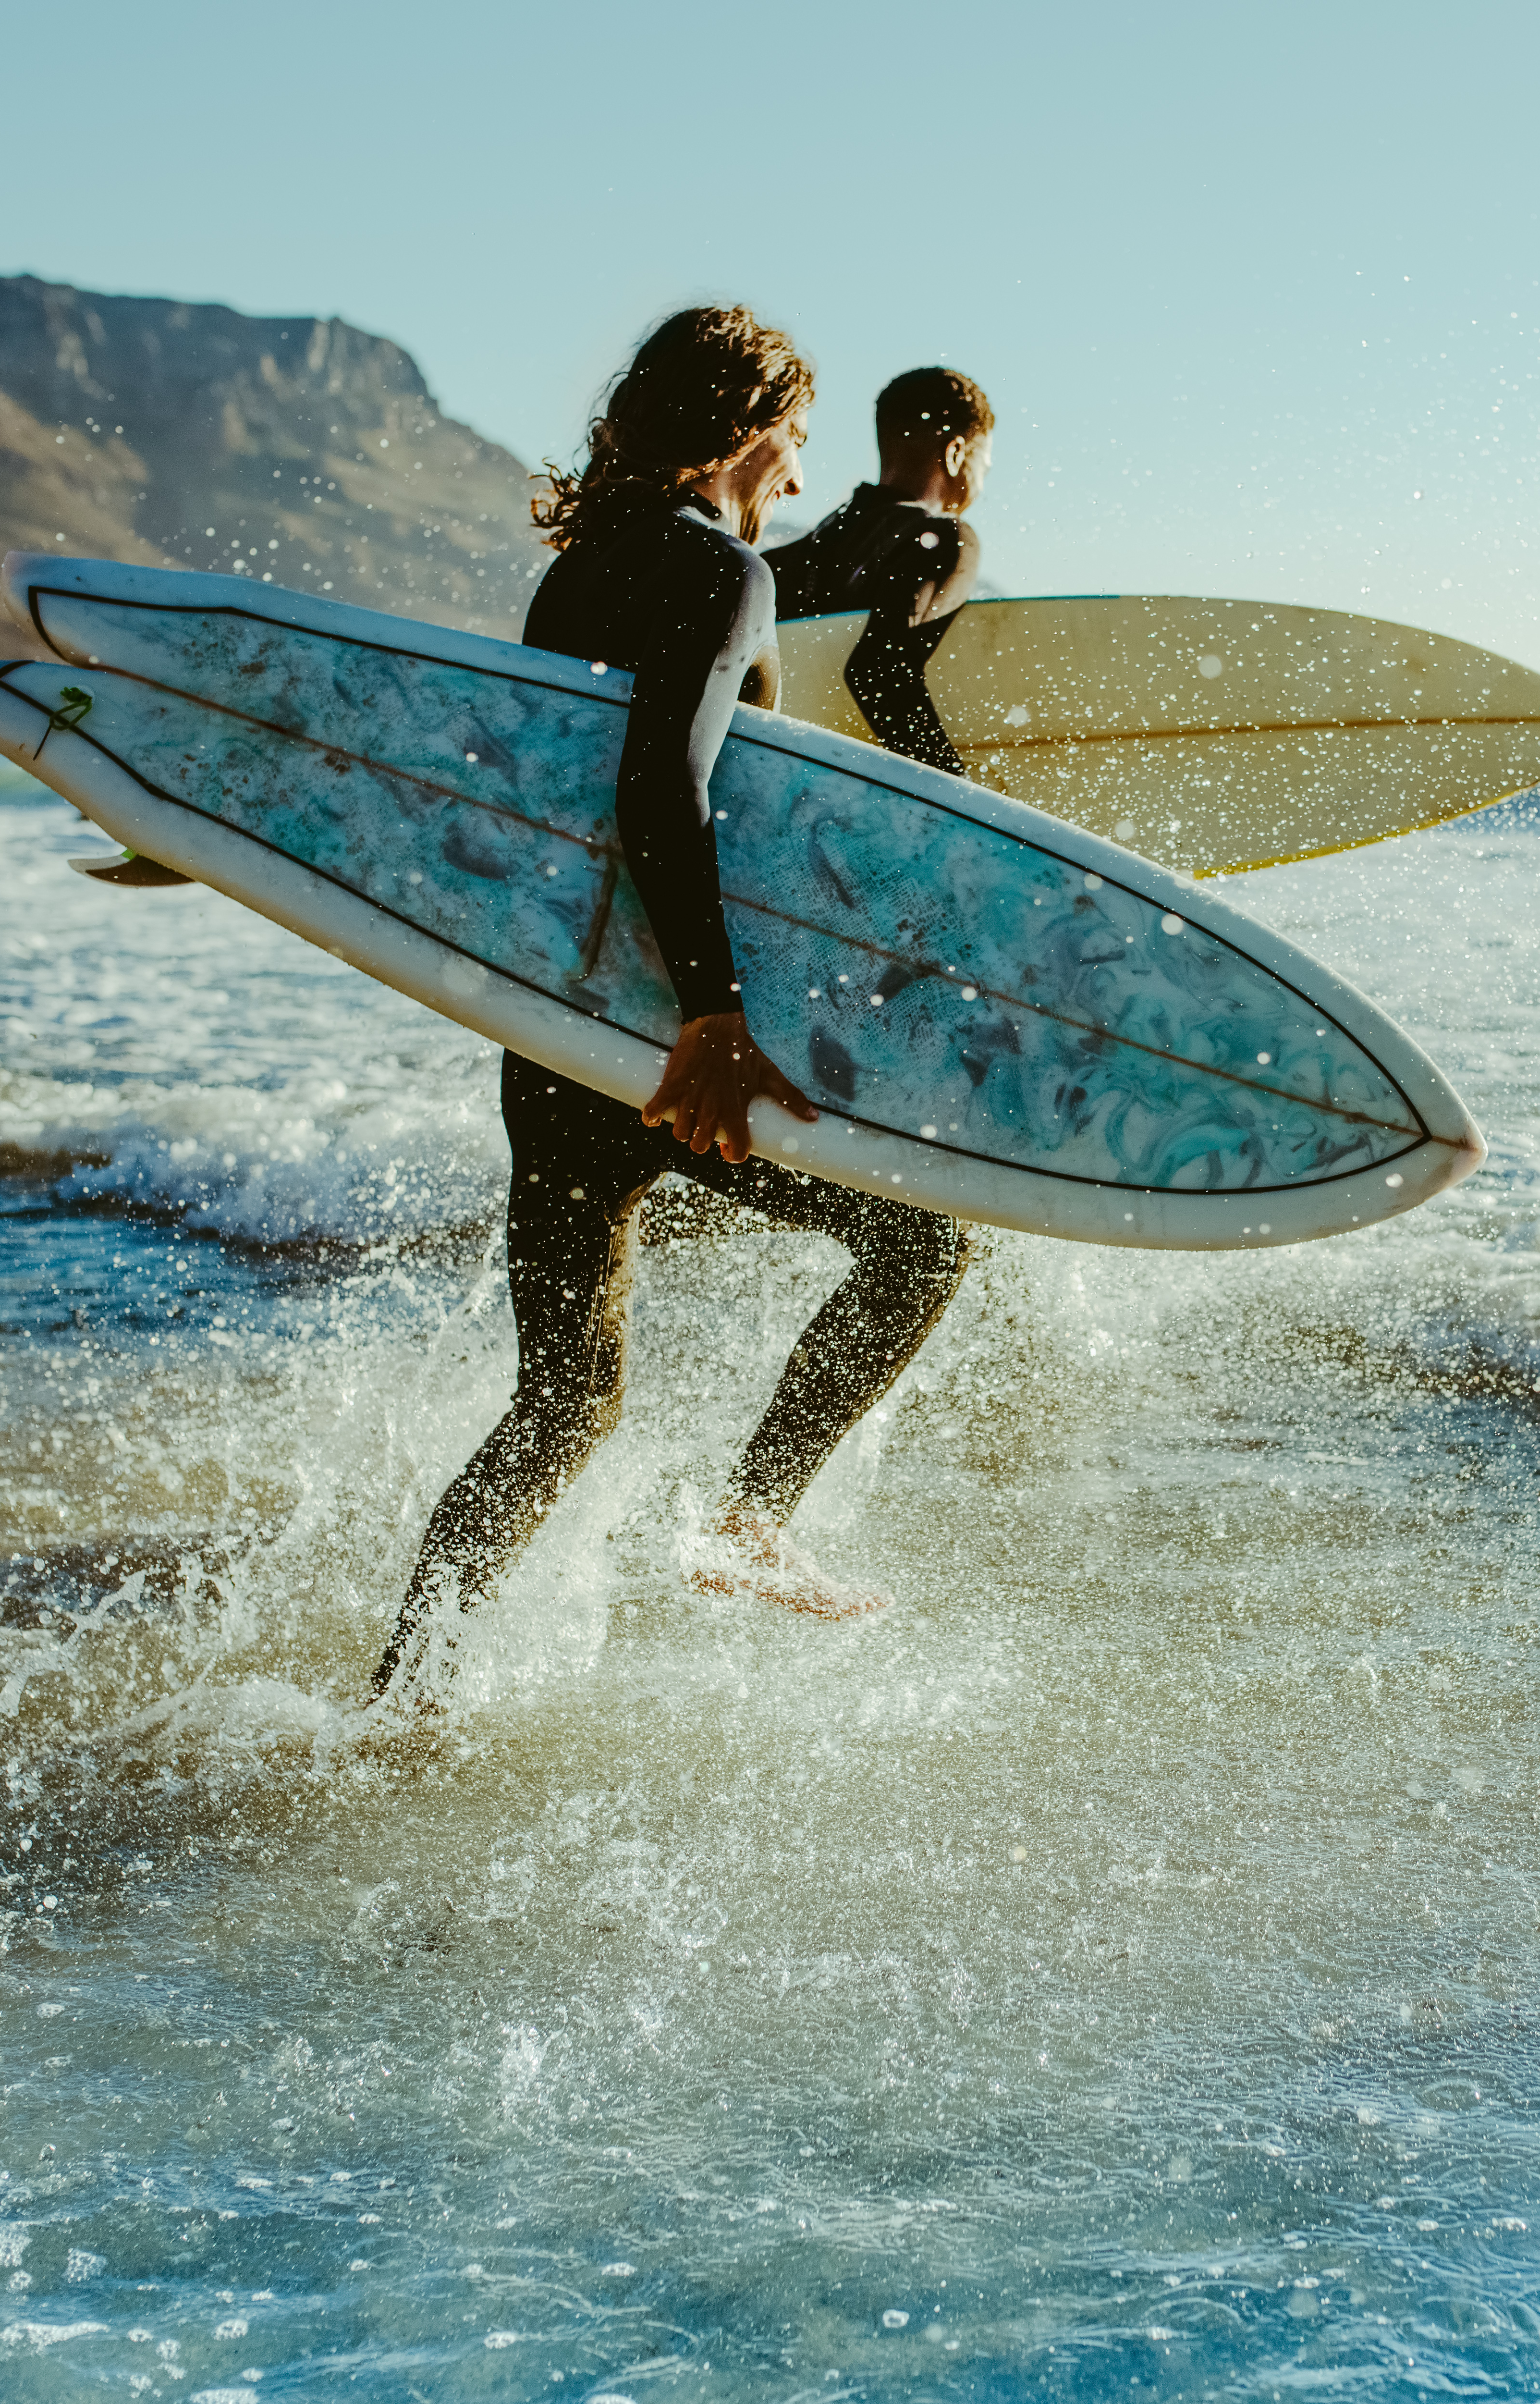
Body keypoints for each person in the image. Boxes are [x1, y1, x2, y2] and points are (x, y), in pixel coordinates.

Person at [378, 307, 976, 1690]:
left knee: (563, 1407)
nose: (793, 480)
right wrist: (712, 1017)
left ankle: (401, 1696)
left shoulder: (581, 571)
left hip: (563, 1030)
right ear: (754, 431)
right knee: (922, 1245)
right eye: (797, 447)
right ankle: (755, 1522)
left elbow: (557, 798)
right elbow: (666, 784)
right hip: (666, 1038)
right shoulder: (718, 572)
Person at [759, 366, 994, 778]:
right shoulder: (944, 538)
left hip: (779, 780)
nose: (981, 485)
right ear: (957, 453)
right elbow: (878, 673)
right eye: (985, 467)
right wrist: (957, 794)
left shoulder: (782, 562)